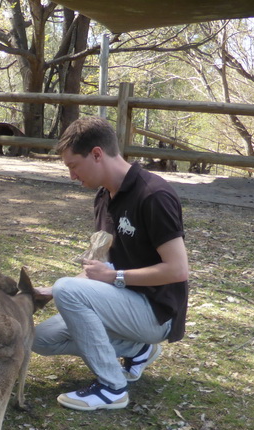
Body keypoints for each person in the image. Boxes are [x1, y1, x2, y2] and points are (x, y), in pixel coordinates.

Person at [33, 116, 189, 411]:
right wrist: (54, 291)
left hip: (156, 313)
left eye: (73, 166)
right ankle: (138, 349)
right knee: (41, 339)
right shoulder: (104, 197)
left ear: (96, 154)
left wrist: (114, 277)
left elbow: (178, 270)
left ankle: (111, 387)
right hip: (122, 304)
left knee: (68, 289)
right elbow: (100, 262)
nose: (71, 176)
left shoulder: (154, 195)